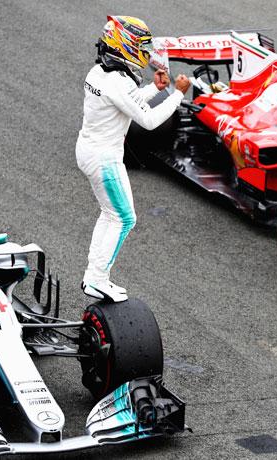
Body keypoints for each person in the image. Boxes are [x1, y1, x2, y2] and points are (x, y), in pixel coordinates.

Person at [76, 15, 191, 302]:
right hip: (105, 160)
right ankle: (97, 279)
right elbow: (149, 120)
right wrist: (177, 95)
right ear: (125, 45)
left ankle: (94, 275)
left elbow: (127, 100)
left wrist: (156, 88)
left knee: (110, 214)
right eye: (142, 46)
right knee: (125, 219)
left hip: (91, 151)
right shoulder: (118, 82)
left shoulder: (100, 73)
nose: (146, 53)